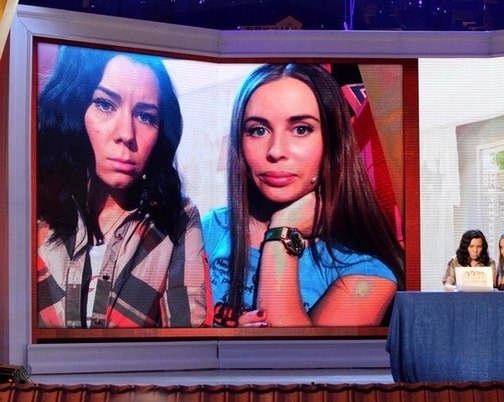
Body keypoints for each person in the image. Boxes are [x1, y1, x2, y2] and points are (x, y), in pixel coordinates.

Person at [202, 63, 405, 328]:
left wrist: (283, 231)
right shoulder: (208, 229)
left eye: (301, 129)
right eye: (258, 130)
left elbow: (290, 349)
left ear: (333, 142)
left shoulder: (366, 268)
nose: (276, 151)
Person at [36, 45, 211, 328]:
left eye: (145, 116)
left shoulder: (176, 218)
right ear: (73, 108)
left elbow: (187, 341)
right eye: (105, 104)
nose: (127, 134)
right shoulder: (30, 205)